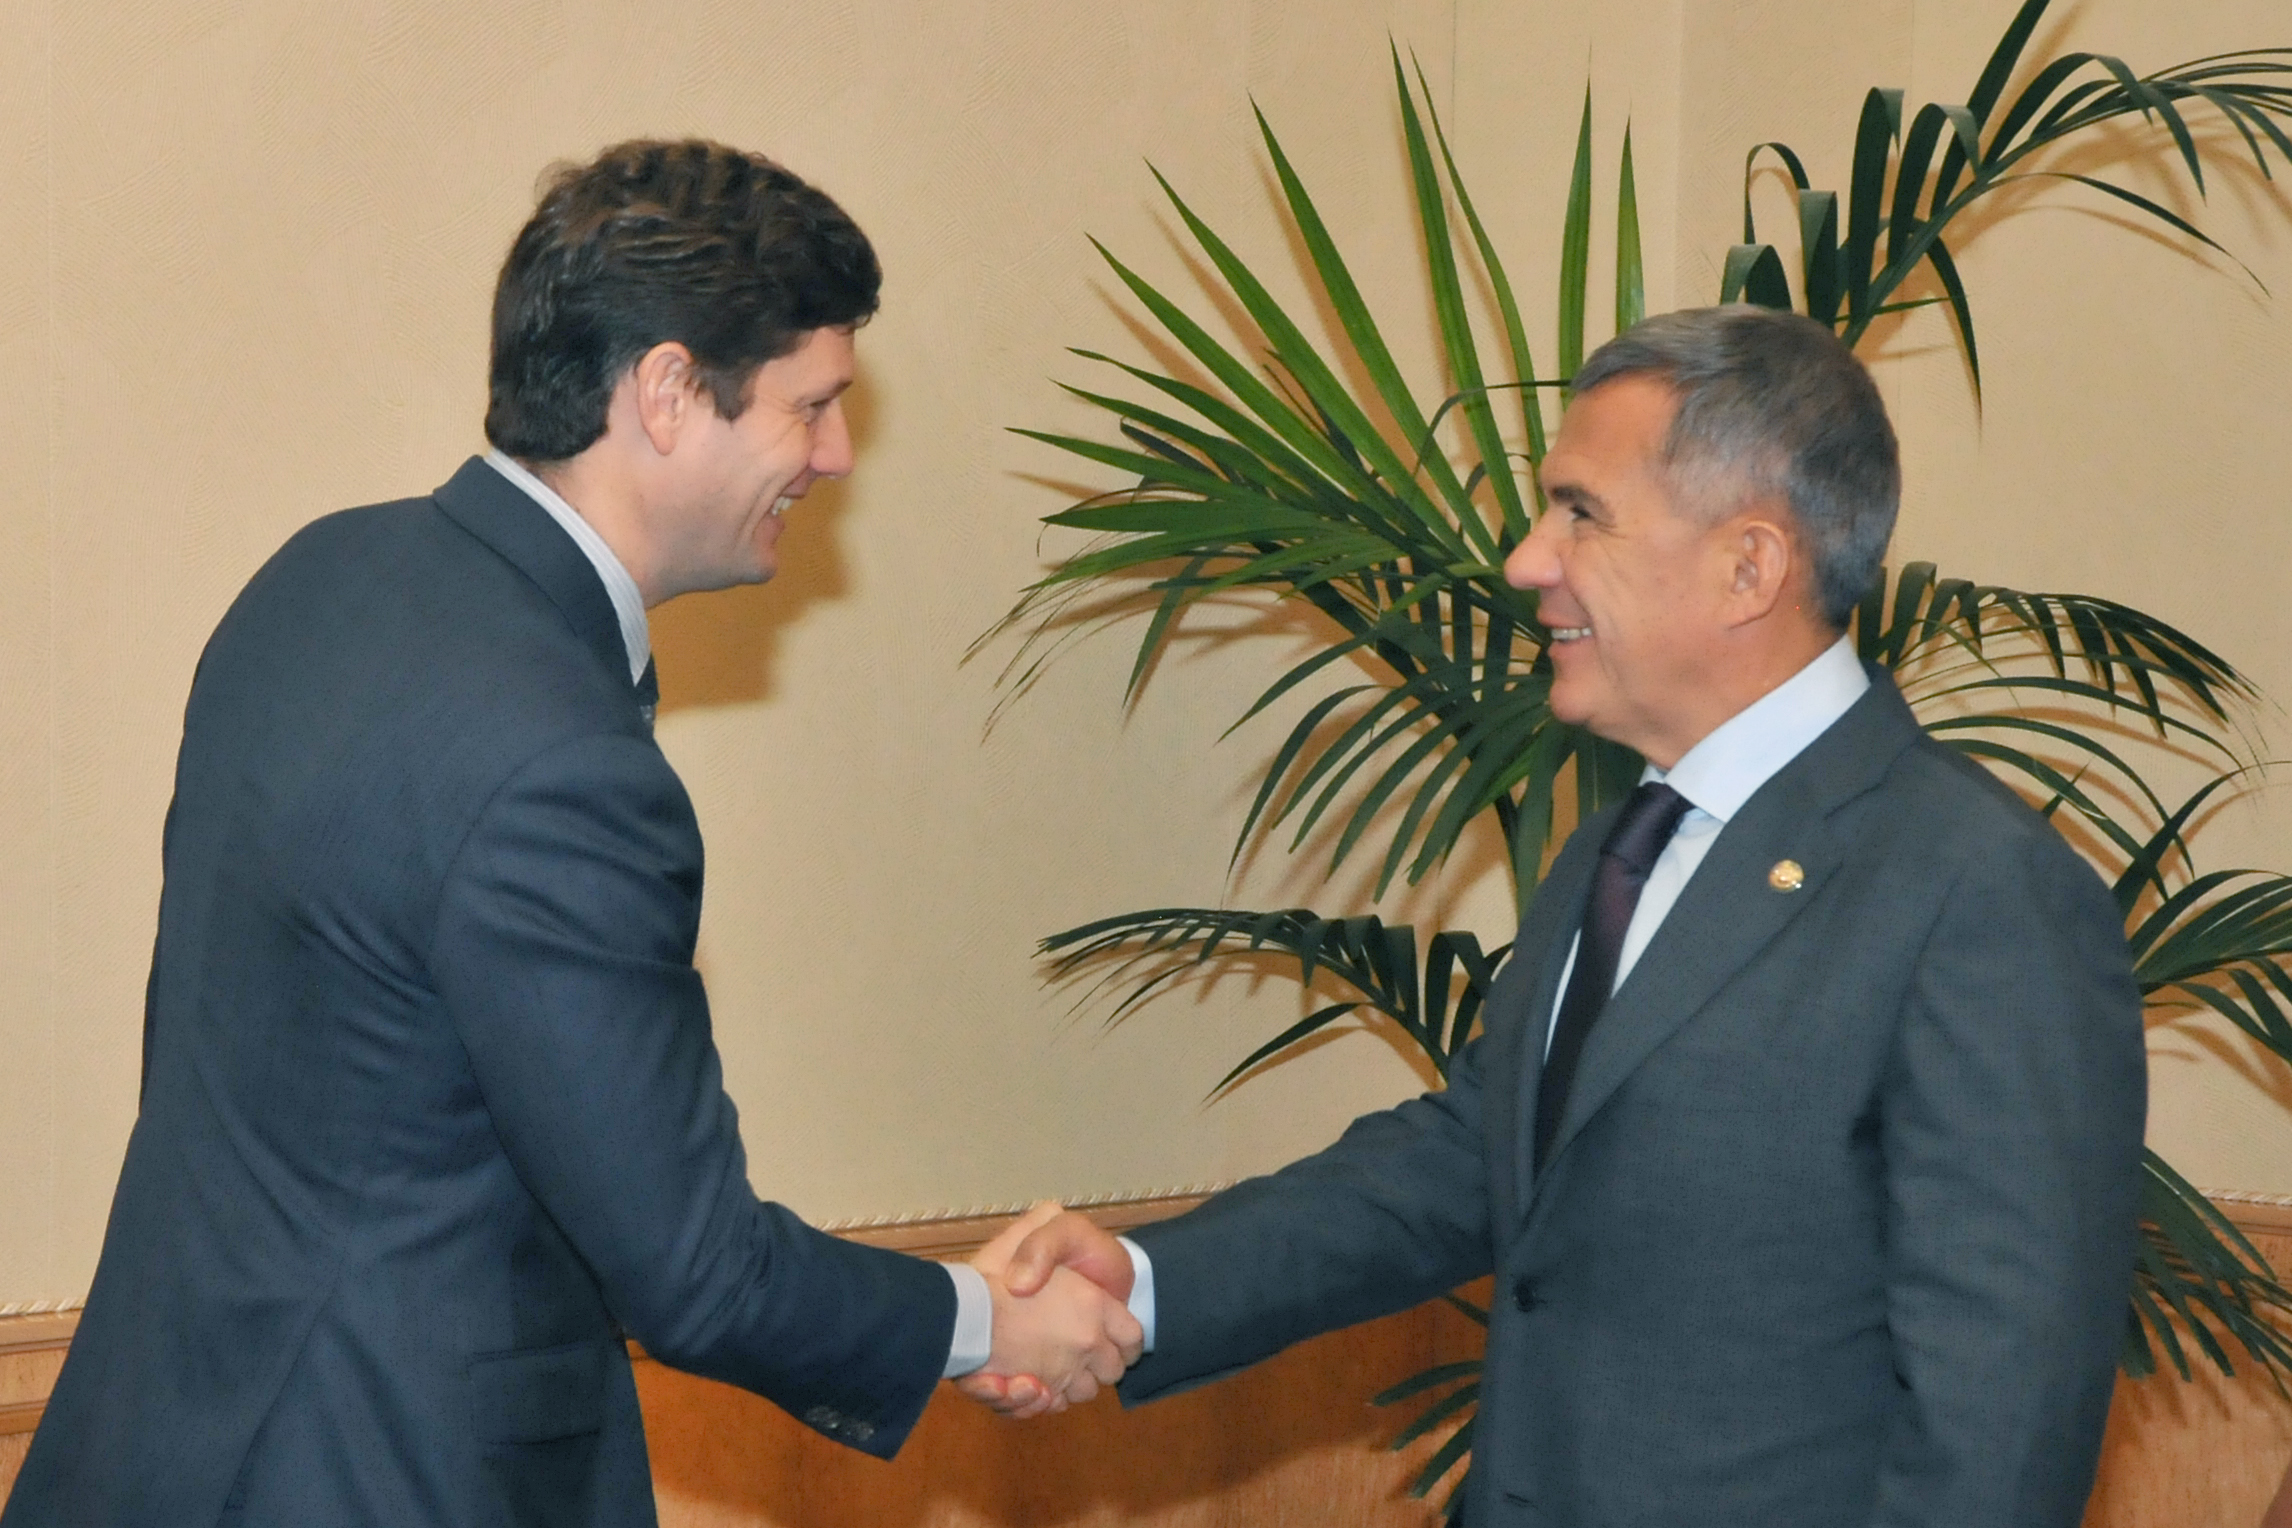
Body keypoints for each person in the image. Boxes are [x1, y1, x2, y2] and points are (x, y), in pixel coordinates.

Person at [4, 139, 1135, 1528]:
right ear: (668, 392)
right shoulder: (562, 765)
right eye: (811, 406)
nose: (837, 457)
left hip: (146, 1453)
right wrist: (982, 1321)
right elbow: (697, 1274)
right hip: (380, 1481)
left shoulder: (316, 578)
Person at [975, 306, 2148, 1528]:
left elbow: (2000, 1431)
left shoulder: (1979, 889)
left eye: (1580, 512)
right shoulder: (1623, 842)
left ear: (1749, 567)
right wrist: (1146, 1281)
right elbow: (1467, 1161)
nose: (1526, 561)